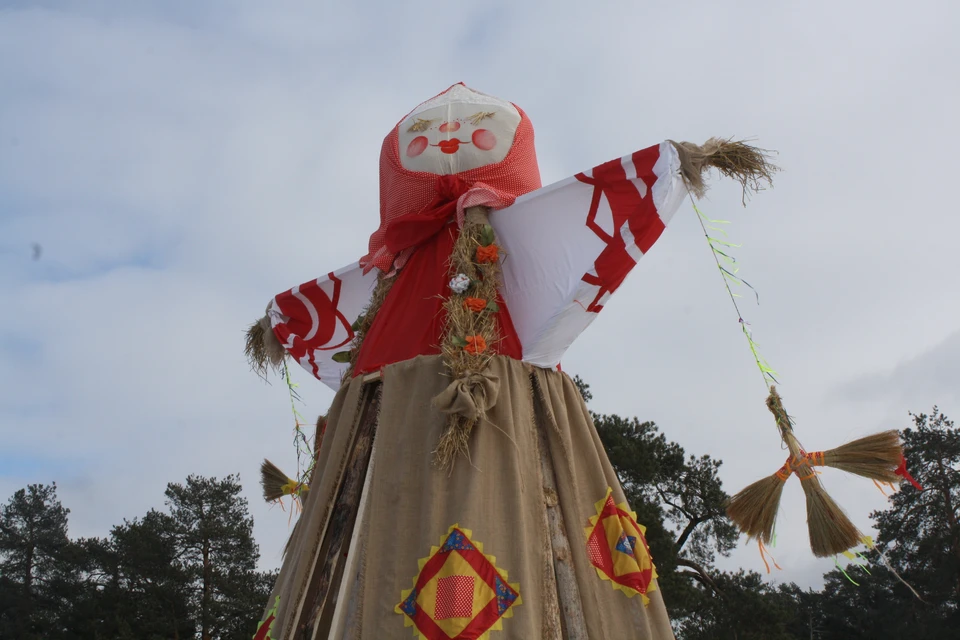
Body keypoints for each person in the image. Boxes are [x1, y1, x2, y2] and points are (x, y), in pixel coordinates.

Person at [247, 83, 773, 639]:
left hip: (471, 403)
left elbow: (593, 203)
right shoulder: (407, 272)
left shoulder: (507, 254)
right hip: (404, 405)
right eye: (426, 141)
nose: (449, 139)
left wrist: (670, 165)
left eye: (470, 133)